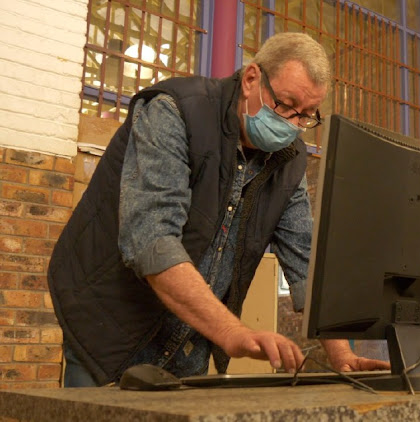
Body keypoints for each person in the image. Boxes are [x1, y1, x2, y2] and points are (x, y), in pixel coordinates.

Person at [48, 32, 388, 387]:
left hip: (188, 342)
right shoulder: (174, 110)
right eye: (285, 105)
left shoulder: (288, 161)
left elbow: (306, 261)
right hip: (109, 329)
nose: (291, 123)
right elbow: (152, 240)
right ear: (252, 79)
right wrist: (232, 332)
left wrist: (342, 354)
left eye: (305, 116)